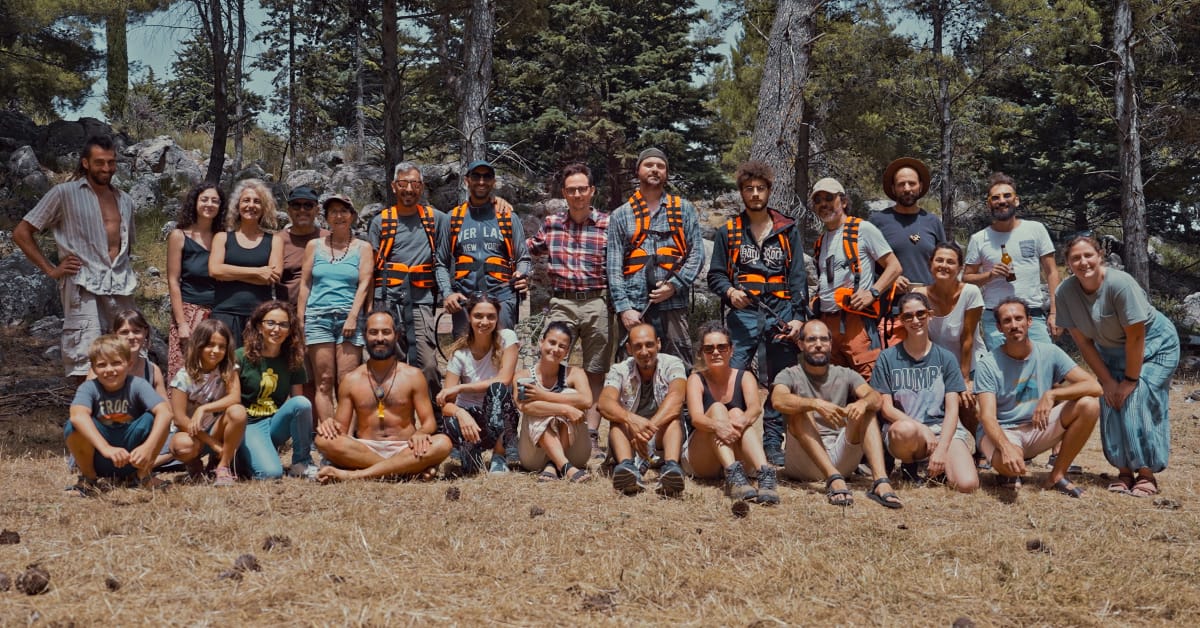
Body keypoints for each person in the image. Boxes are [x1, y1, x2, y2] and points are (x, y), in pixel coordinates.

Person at [1056, 235, 1180, 497]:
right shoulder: (1065, 293)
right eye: (1075, 258)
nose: (1083, 262)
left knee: (1137, 397)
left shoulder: (1120, 284)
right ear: (1067, 263)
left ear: (1099, 255)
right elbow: (1084, 344)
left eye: (1088, 255)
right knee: (1110, 401)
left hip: (1154, 346)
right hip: (1110, 352)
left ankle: (1146, 473)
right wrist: (1109, 382)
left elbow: (1136, 337)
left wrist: (1130, 381)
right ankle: (1123, 470)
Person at [13, 135, 138, 379]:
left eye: (111, 162)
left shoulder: (126, 200)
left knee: (126, 351)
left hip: (120, 285)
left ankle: (118, 412)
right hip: (83, 285)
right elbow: (21, 232)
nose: (106, 168)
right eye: (99, 162)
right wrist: (51, 269)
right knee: (85, 357)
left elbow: (127, 245)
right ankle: (84, 412)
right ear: (85, 163)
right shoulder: (65, 193)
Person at [708, 159, 807, 466]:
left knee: (781, 377)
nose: (755, 194)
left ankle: (773, 441)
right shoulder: (729, 232)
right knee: (733, 374)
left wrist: (798, 318)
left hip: (780, 312)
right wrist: (730, 291)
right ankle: (735, 432)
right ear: (742, 193)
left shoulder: (787, 230)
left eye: (760, 189)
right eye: (749, 189)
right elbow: (715, 275)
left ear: (769, 192)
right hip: (744, 315)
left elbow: (798, 277)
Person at [526, 162, 612, 460]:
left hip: (596, 302)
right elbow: (527, 248)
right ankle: (550, 420)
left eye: (582, 189)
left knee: (596, 369)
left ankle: (591, 433)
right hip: (561, 301)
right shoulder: (552, 224)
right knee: (551, 360)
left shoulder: (608, 224)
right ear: (564, 193)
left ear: (591, 191)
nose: (577, 195)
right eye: (571, 190)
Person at [974, 297, 1100, 497]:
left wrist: (1052, 394)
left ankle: (1057, 476)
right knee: (1012, 466)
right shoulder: (988, 364)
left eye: (1018, 318)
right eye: (1007, 321)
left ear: (1029, 321)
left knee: (1089, 405)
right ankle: (1007, 470)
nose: (1014, 325)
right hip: (1004, 431)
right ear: (999, 327)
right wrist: (1005, 447)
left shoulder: (1049, 352)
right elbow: (987, 417)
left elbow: (1094, 386)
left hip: (1037, 427)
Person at [772, 320, 901, 508]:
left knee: (867, 411)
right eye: (811, 339)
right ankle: (833, 479)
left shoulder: (845, 374)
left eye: (824, 339)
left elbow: (875, 398)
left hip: (842, 458)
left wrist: (863, 403)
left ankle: (881, 482)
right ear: (800, 344)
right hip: (803, 462)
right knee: (799, 411)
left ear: (830, 344)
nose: (818, 344)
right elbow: (778, 400)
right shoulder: (789, 374)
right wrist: (814, 404)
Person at [315, 311, 452, 482]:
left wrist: (422, 433)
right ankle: (406, 470)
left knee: (443, 442)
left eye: (386, 332)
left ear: (397, 335)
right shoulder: (351, 380)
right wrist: (329, 425)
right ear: (365, 335)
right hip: (365, 449)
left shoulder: (413, 375)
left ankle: (356, 474)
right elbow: (341, 430)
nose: (380, 338)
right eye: (373, 332)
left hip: (405, 447)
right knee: (323, 440)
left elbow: (429, 422)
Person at [870, 293, 979, 493]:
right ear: (901, 320)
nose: (915, 320)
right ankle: (910, 466)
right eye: (908, 316)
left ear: (930, 315)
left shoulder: (945, 358)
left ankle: (938, 464)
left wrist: (943, 446)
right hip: (907, 431)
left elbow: (952, 410)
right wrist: (922, 429)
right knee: (903, 430)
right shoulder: (887, 358)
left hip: (941, 429)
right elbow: (886, 408)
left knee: (967, 484)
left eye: (920, 314)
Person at [607, 148, 705, 368]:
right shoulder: (621, 215)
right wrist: (623, 308)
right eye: (649, 165)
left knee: (679, 364)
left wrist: (675, 284)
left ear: (666, 174)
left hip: (673, 303)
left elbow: (697, 253)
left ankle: (680, 404)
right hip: (634, 306)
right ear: (638, 170)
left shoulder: (683, 209)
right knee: (630, 365)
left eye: (660, 166)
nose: (655, 170)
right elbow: (613, 267)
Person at [810, 177, 902, 379]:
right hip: (827, 325)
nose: (823, 204)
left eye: (828, 198)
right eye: (818, 201)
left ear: (843, 201)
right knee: (836, 387)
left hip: (856, 322)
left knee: (870, 384)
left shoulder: (862, 229)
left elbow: (894, 267)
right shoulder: (820, 242)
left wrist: (873, 292)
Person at [369, 162, 449, 396]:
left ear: (422, 187)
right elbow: (370, 268)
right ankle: (392, 419)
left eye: (414, 184)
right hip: (386, 301)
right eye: (403, 184)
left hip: (421, 301)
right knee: (388, 363)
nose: (409, 189)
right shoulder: (380, 222)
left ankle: (435, 416)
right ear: (394, 186)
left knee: (428, 364)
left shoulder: (437, 220)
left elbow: (442, 262)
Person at [297, 194, 372, 425]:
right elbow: (305, 283)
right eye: (333, 212)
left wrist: (353, 316)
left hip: (349, 319)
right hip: (318, 318)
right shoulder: (314, 246)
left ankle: (345, 438)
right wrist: (301, 318)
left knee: (347, 381)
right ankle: (329, 437)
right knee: (324, 381)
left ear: (352, 215)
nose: (338, 216)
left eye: (343, 211)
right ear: (326, 217)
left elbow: (365, 284)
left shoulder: (363, 247)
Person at [65, 335, 174, 495]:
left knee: (154, 418)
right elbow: (77, 416)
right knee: (74, 425)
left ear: (128, 364)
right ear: (94, 369)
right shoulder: (89, 388)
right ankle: (89, 479)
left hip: (134, 458)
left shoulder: (138, 385)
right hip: (100, 457)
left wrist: (148, 447)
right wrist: (106, 448)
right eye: (102, 365)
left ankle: (142, 476)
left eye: (116, 363)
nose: (109, 370)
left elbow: (165, 412)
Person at [683, 322, 778, 504]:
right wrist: (719, 426)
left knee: (736, 412)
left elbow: (755, 408)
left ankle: (765, 475)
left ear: (731, 350)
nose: (716, 352)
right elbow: (697, 418)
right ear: (701, 353)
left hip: (737, 449)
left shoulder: (745, 376)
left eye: (722, 347)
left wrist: (737, 424)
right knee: (718, 409)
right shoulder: (695, 379)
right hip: (702, 458)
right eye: (709, 349)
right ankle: (734, 476)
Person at [964, 172, 1061, 351]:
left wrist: (1055, 313)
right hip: (996, 317)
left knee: (1044, 368)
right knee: (1003, 374)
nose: (1002, 201)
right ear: (989, 204)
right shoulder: (979, 238)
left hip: (1033, 314)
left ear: (1016, 200)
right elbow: (966, 278)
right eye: (996, 198)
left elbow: (1052, 272)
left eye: (1007, 196)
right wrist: (990, 275)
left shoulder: (1035, 229)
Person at [438, 160, 530, 334]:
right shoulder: (452, 218)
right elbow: (440, 263)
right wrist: (447, 293)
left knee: (501, 353)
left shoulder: (508, 217)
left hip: (502, 298)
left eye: (487, 176)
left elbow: (523, 258)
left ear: (493, 182)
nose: (481, 181)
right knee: (465, 355)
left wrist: (521, 273)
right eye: (476, 176)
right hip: (465, 301)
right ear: (467, 181)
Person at [597, 323, 687, 497]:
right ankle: (626, 467)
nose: (645, 351)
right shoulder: (619, 369)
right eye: (638, 346)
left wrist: (646, 431)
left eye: (649, 344)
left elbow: (677, 399)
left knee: (672, 419)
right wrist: (631, 419)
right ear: (629, 349)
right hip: (631, 443)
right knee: (618, 421)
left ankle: (671, 467)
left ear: (658, 344)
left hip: (662, 440)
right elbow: (604, 403)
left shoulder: (673, 363)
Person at [435, 294, 521, 475]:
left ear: (498, 318)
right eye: (478, 316)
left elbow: (504, 380)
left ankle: (499, 455)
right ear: (469, 317)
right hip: (470, 421)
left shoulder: (507, 338)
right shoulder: (460, 354)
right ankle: (470, 454)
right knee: (471, 470)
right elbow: (446, 404)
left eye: (491, 316)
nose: (485, 321)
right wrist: (461, 413)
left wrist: (461, 387)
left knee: (498, 391)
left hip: (496, 416)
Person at [234, 300, 317, 480]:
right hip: (248, 425)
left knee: (302, 403)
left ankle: (302, 462)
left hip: (274, 423)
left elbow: (298, 405)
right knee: (270, 474)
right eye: (270, 323)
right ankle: (241, 456)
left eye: (283, 325)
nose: (276, 329)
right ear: (258, 326)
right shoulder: (241, 356)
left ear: (290, 330)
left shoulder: (293, 359)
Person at [912, 242, 984, 438]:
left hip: (969, 361)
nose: (944, 265)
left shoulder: (970, 292)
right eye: (939, 260)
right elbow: (918, 338)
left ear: (960, 268)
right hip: (936, 364)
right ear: (930, 264)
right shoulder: (919, 295)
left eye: (950, 262)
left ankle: (981, 449)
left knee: (969, 403)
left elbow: (967, 338)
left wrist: (963, 380)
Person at [167, 318, 246, 487]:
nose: (215, 351)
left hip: (214, 427)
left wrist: (203, 408)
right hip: (191, 433)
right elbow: (180, 419)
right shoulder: (183, 376)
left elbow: (234, 398)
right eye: (210, 345)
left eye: (222, 346)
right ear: (198, 345)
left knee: (238, 411)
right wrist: (212, 443)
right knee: (182, 446)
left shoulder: (228, 369)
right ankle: (194, 463)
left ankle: (222, 466)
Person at [514, 322, 593, 482]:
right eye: (552, 342)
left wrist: (542, 394)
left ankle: (554, 465)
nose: (556, 349)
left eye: (562, 346)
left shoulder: (575, 373)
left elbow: (587, 400)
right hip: (534, 456)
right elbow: (524, 406)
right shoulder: (522, 375)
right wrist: (565, 409)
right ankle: (563, 466)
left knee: (567, 393)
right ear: (541, 342)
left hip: (575, 453)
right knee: (535, 407)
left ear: (567, 352)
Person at [209, 179, 284, 347]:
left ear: (264, 207)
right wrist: (257, 272)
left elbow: (273, 276)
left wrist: (229, 274)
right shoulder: (222, 238)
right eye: (246, 200)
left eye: (257, 201)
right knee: (225, 368)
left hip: (259, 317)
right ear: (237, 206)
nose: (251, 205)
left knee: (254, 369)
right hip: (224, 314)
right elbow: (215, 270)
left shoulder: (274, 241)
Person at [166, 183, 225, 380]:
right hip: (189, 311)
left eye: (215, 200)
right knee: (182, 371)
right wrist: (182, 323)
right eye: (204, 199)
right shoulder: (179, 236)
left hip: (217, 313)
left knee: (212, 373)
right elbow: (173, 281)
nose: (209, 204)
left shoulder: (223, 238)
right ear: (195, 202)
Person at [869, 157, 946, 291]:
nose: (907, 188)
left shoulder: (933, 222)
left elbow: (943, 262)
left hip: (926, 305)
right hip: (888, 305)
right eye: (901, 184)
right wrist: (890, 279)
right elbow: (866, 263)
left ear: (920, 186)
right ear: (893, 188)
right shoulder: (877, 222)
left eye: (912, 183)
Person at [278, 185, 329, 305]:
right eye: (296, 205)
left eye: (308, 205)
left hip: (322, 312)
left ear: (317, 210)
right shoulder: (277, 241)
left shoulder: (329, 239)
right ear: (289, 210)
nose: (302, 210)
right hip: (287, 311)